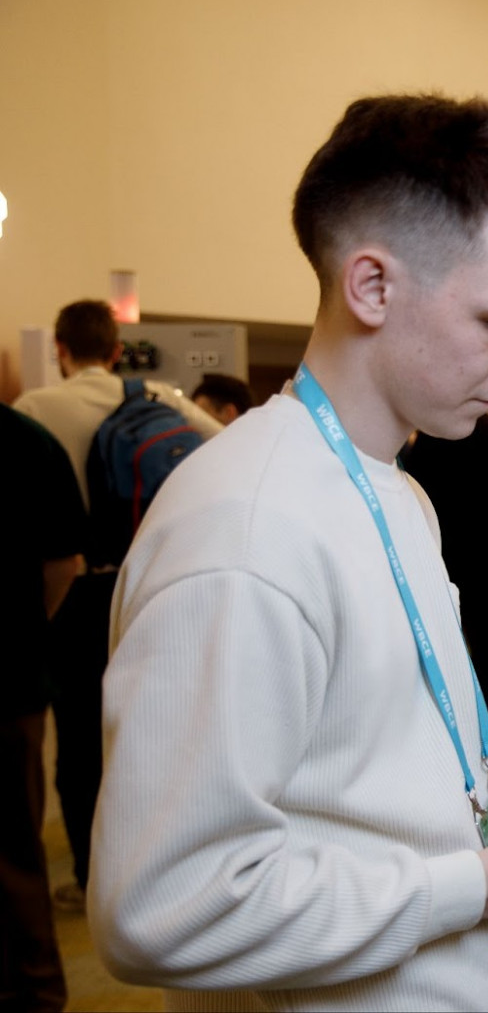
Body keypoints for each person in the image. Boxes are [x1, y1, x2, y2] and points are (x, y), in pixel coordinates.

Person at [88, 93, 488, 1010]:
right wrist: (476, 886)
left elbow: (359, 761)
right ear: (371, 287)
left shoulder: (395, 489)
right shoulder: (245, 531)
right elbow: (163, 907)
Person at [12, 299, 224, 910]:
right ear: (114, 351)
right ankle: (158, 865)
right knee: (154, 726)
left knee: (78, 741)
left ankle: (90, 878)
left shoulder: (35, 409)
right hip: (150, 587)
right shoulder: (156, 396)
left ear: (60, 349)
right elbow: (222, 443)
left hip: (72, 593)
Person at [0, 405, 84, 1012]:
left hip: (11, 681)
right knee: (16, 850)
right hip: (11, 676)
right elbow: (62, 564)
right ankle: (36, 990)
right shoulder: (27, 441)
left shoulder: (29, 438)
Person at [403, 412, 488, 723]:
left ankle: (452, 720)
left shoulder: (435, 433)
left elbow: (418, 492)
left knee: (440, 640)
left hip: (446, 556)